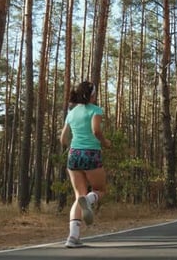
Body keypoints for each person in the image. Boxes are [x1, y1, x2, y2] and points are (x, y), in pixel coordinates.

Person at [60, 81, 111, 248]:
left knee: (78, 196)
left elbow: (63, 138)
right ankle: (89, 200)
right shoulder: (95, 110)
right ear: (92, 95)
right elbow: (96, 131)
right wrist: (105, 142)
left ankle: (73, 237)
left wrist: (73, 147)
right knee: (100, 190)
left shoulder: (71, 112)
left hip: (74, 155)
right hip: (91, 154)